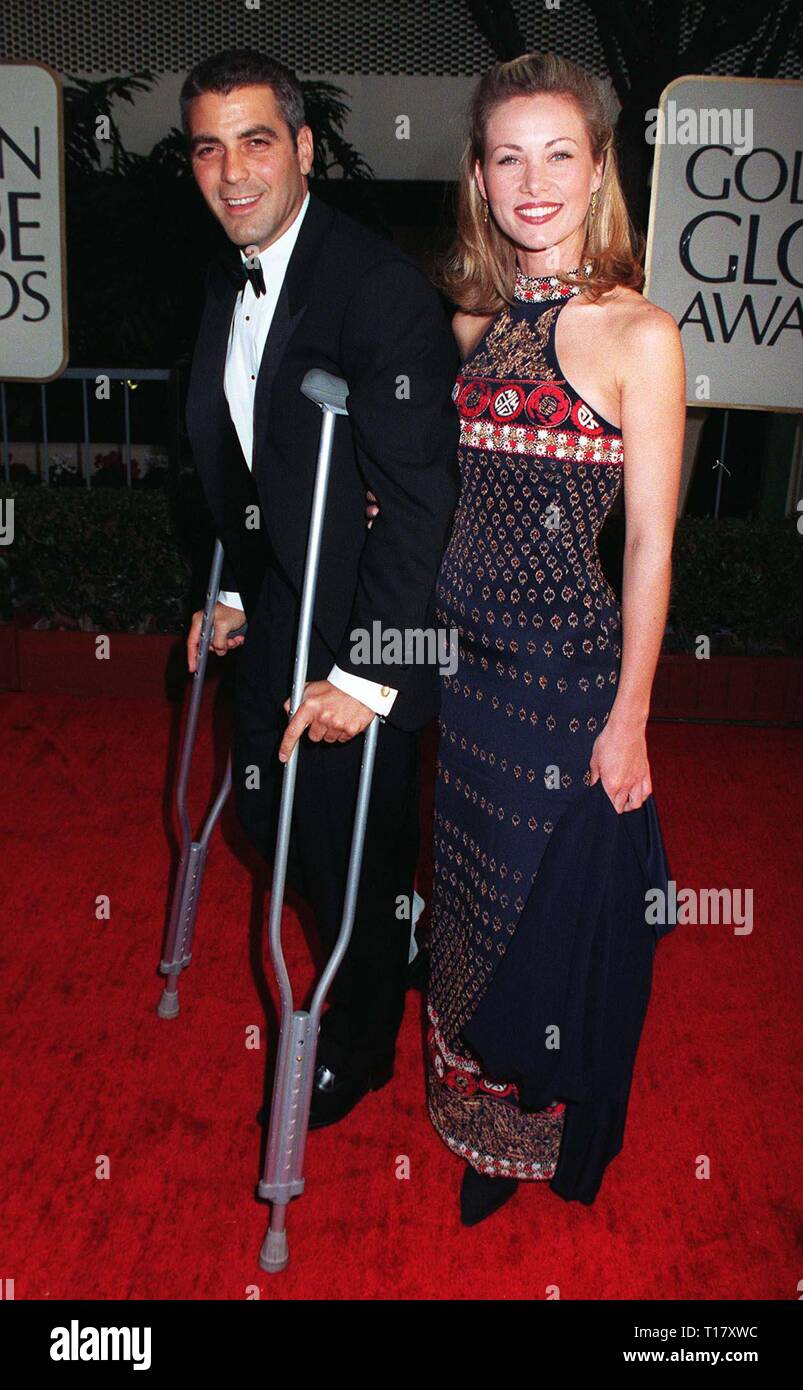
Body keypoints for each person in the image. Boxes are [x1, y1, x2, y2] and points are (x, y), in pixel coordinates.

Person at [423, 52, 685, 1224]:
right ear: (480, 176)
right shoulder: (472, 318)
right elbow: (450, 491)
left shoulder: (640, 335)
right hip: (466, 683)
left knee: (544, 911)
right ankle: (473, 1117)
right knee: (470, 901)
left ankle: (527, 1137)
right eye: (507, 156)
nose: (532, 182)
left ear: (595, 173)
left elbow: (648, 546)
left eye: (558, 154)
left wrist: (629, 717)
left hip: (567, 683)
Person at [181, 49, 460, 1129]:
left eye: (257, 140)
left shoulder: (378, 290)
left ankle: (360, 1040)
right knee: (262, 811)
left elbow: (420, 495)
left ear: (302, 148)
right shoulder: (222, 271)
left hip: (365, 634)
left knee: (352, 845)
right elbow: (249, 456)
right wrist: (246, 590)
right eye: (209, 146)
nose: (232, 169)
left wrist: (367, 676)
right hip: (282, 603)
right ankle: (404, 927)